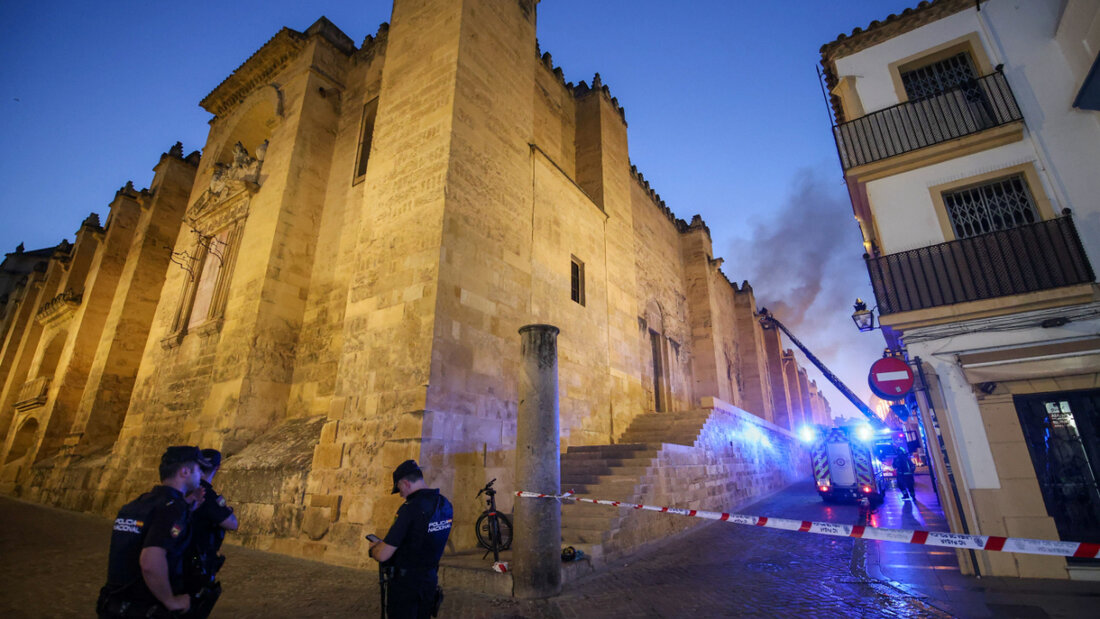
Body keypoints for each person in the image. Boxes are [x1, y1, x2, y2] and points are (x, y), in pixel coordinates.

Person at [97, 446, 210, 618]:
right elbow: (150, 561)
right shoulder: (172, 509)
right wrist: (170, 600)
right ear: (185, 472)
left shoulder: (138, 504)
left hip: (114, 604)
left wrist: (187, 508)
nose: (201, 475)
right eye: (198, 469)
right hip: (145, 606)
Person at [369, 460, 453, 619]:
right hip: (429, 582)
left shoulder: (410, 509)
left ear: (405, 483)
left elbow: (383, 555)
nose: (400, 494)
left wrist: (374, 548)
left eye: (399, 489)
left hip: (406, 587)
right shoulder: (445, 504)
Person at [183, 448, 238, 617]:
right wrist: (225, 508)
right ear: (217, 467)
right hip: (196, 562)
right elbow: (232, 524)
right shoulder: (207, 495)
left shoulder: (183, 490)